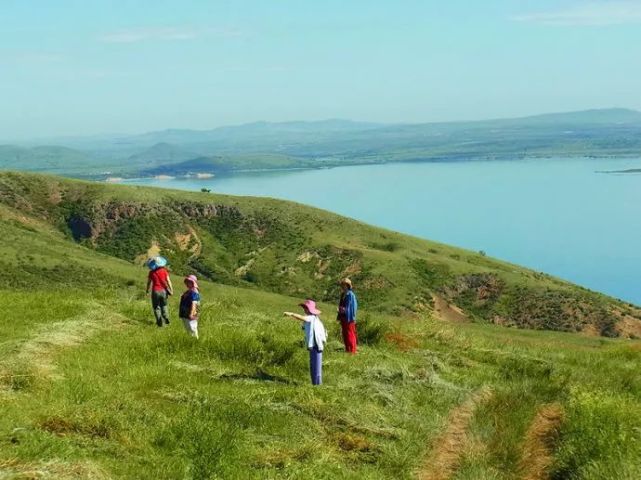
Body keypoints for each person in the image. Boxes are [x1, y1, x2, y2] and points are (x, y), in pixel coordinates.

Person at [284, 299, 327, 386]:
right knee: (313, 365)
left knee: (316, 366)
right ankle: (314, 383)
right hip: (313, 346)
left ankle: (318, 385)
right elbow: (305, 324)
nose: (304, 310)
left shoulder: (312, 317)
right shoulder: (311, 319)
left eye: (306, 308)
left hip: (316, 346)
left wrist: (291, 314)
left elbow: (302, 318)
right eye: (304, 308)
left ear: (310, 309)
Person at [146, 256, 173, 327]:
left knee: (156, 307)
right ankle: (166, 317)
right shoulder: (164, 271)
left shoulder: (151, 272)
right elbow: (168, 281)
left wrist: (147, 290)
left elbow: (149, 283)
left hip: (155, 291)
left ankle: (159, 322)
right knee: (164, 305)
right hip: (164, 291)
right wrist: (171, 289)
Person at [337, 278, 358, 354]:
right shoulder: (343, 294)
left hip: (349, 318)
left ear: (347, 285)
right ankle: (347, 349)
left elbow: (351, 308)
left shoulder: (350, 295)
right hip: (343, 316)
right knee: (345, 333)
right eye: (342, 284)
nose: (342, 286)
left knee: (350, 334)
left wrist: (343, 310)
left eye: (344, 284)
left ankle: (352, 351)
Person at [180, 275, 201, 339]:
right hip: (185, 313)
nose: (187, 283)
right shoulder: (189, 291)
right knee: (188, 328)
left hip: (191, 313)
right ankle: (190, 340)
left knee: (192, 328)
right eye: (187, 282)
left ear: (193, 283)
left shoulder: (194, 292)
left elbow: (194, 303)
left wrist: (192, 313)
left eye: (189, 282)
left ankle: (195, 341)